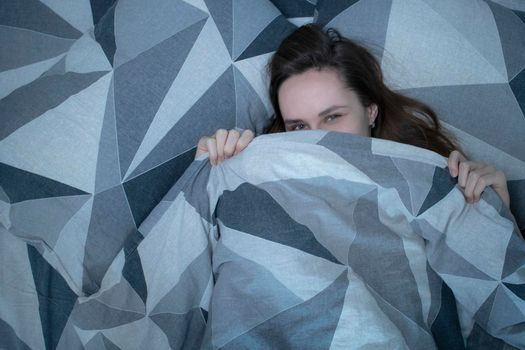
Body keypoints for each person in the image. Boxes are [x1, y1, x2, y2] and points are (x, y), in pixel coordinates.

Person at [195, 24, 510, 208]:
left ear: (370, 110)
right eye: (299, 126)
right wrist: (211, 170)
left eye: (332, 117)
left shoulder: (432, 184)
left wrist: (496, 211)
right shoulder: (264, 181)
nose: (317, 139)